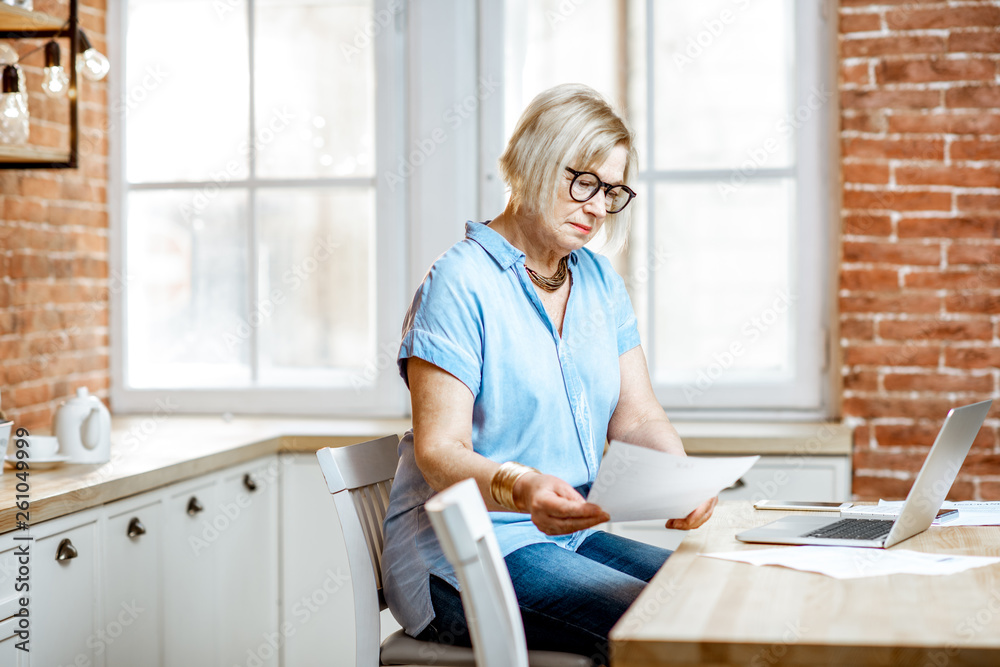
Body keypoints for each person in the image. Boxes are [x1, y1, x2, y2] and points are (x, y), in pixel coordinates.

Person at [381, 83, 717, 666]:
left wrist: (680, 477)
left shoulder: (598, 281)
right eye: (582, 181)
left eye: (611, 190)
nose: (597, 206)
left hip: (568, 537)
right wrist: (525, 487)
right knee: (663, 625)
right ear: (534, 162)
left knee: (711, 596)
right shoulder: (460, 283)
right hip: (466, 554)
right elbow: (440, 450)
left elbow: (636, 414)